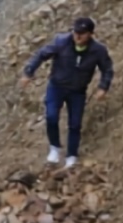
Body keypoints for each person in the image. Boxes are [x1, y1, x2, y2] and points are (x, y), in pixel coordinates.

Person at [20, 16, 113, 168]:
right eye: (76, 32)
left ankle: (71, 156)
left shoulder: (98, 51)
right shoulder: (61, 42)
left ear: (90, 34)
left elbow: (107, 69)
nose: (77, 36)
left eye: (82, 33)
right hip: (56, 87)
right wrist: (28, 72)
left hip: (77, 91)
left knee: (75, 124)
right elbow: (41, 54)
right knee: (51, 117)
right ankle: (54, 148)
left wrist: (103, 87)